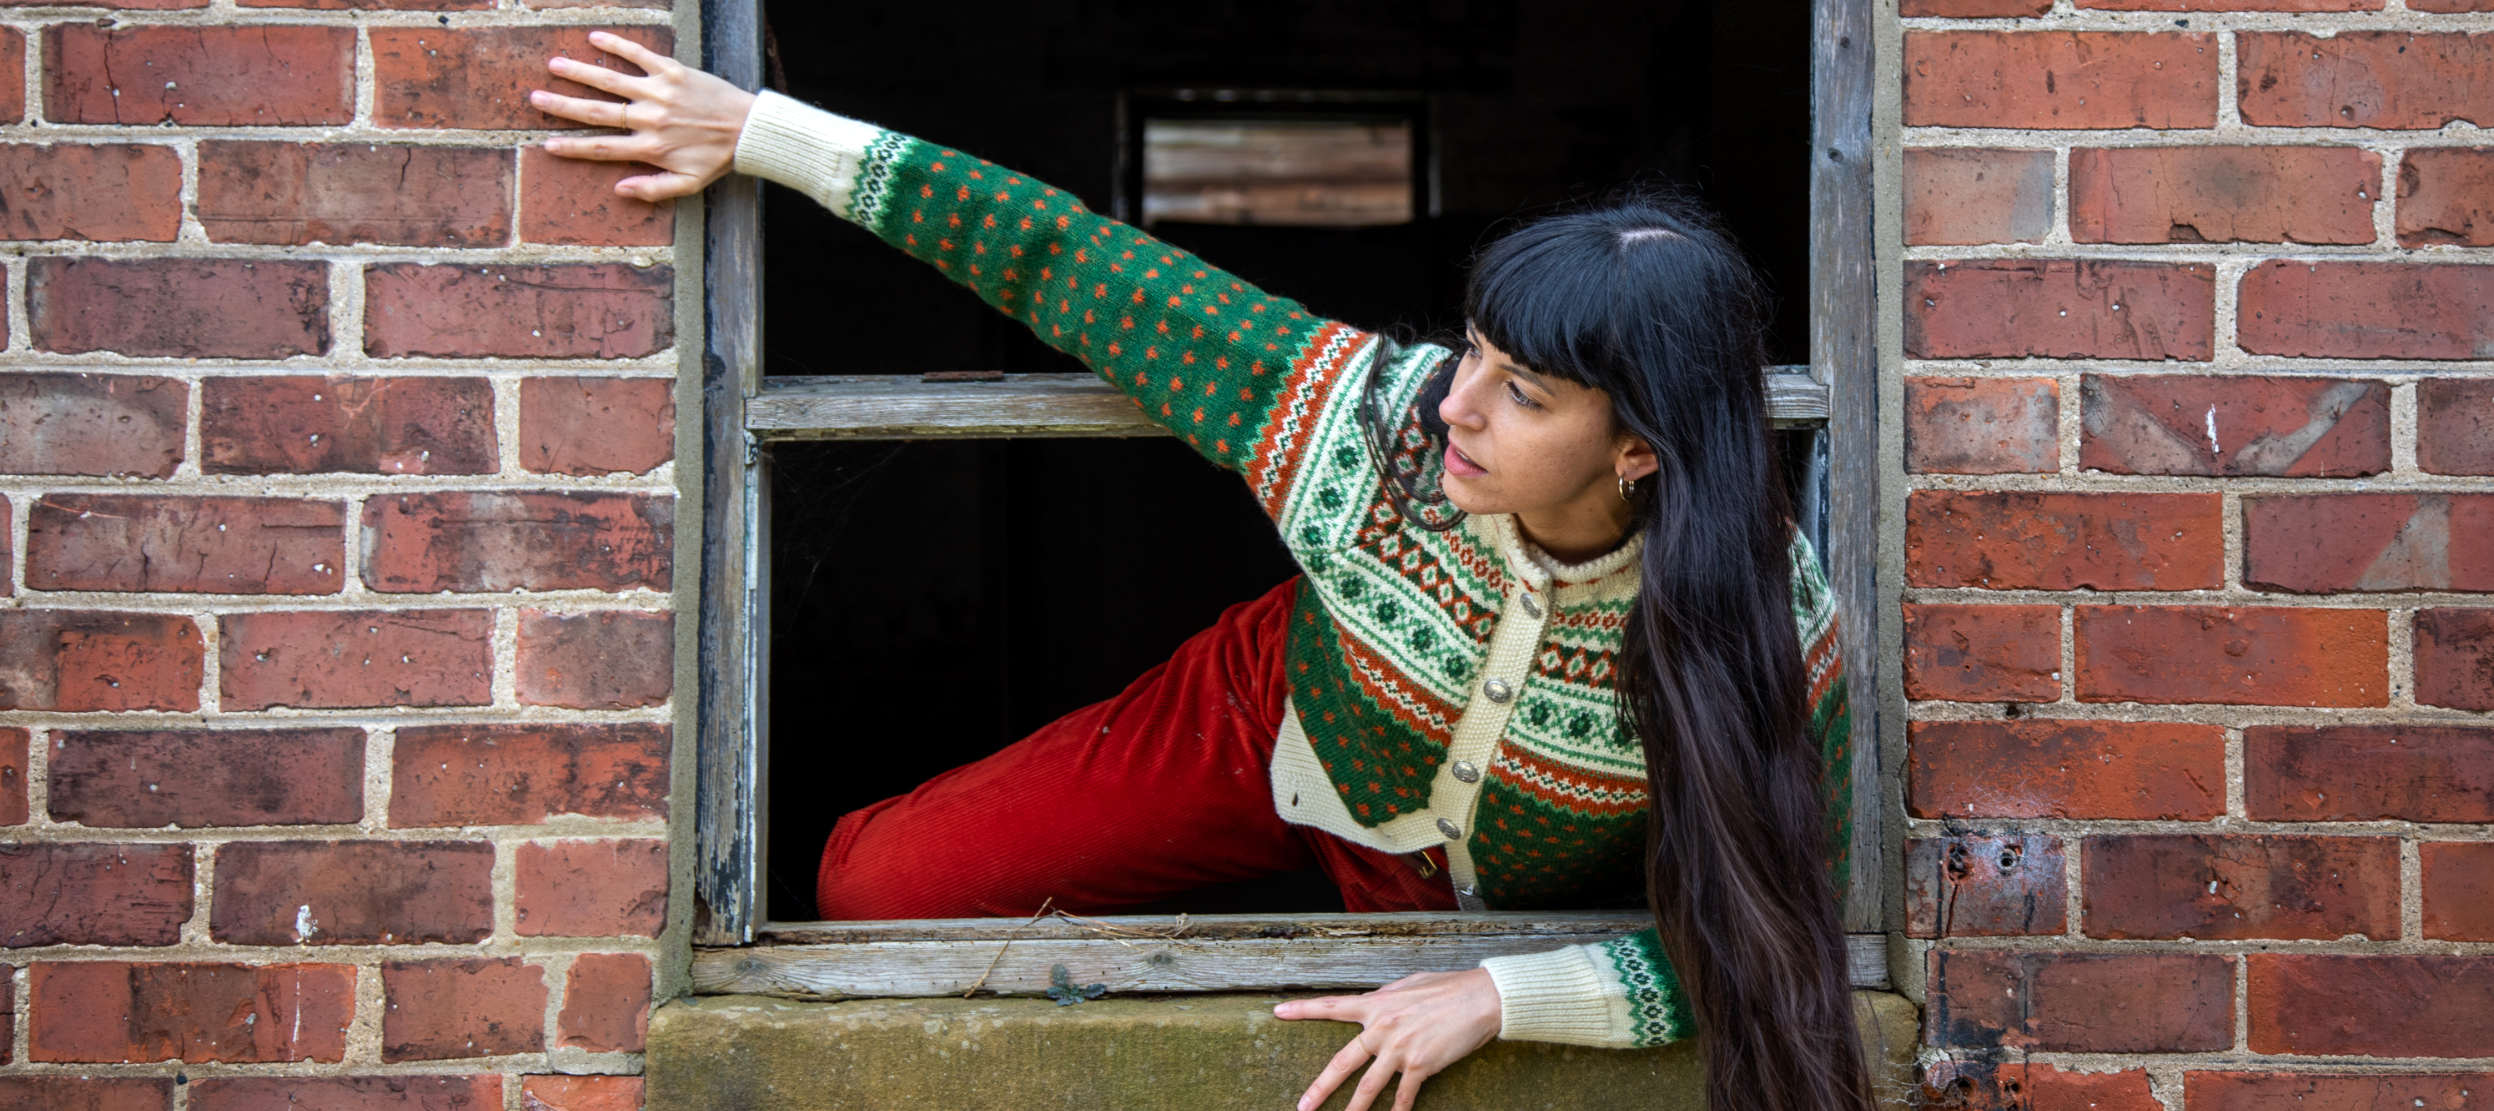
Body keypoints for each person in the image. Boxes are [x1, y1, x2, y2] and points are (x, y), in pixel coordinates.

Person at [533, 32, 1874, 1111]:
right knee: (873, 889)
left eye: (1521, 393)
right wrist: (761, 132)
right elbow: (1071, 264)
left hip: (1439, 892)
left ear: (1637, 445)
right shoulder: (1366, 414)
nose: (1455, 406)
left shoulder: (1767, 627)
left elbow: (1769, 931)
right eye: (1470, 352)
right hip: (1263, 720)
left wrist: (1504, 999)